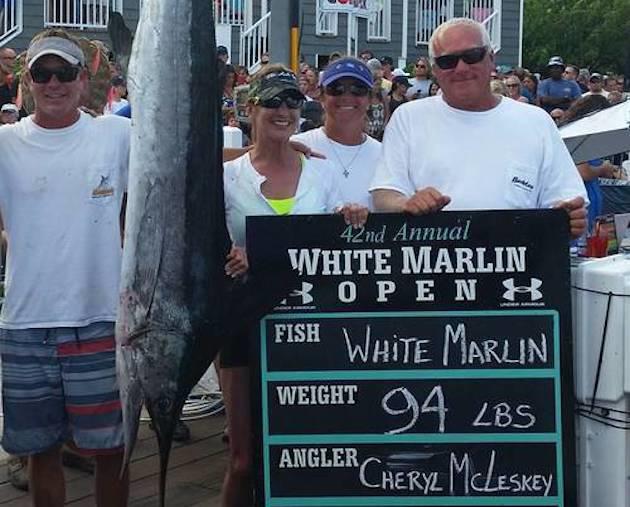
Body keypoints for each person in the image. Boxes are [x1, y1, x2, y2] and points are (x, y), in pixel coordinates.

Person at [219, 65, 367, 507]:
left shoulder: (321, 174)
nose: (282, 111)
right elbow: (209, 247)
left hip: (309, 327)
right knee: (243, 460)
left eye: (292, 103)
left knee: (304, 450)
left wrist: (353, 218)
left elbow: (333, 240)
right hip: (243, 324)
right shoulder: (227, 177)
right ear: (251, 108)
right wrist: (230, 255)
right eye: (272, 102)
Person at [0, 29, 130, 506]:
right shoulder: (4, 142)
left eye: (64, 73)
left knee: (112, 448)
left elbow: (180, 165)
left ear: (83, 79)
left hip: (100, 317)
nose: (53, 84)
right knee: (40, 451)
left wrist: (264, 152)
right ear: (28, 80)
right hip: (25, 323)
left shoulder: (116, 134)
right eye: (42, 74)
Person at [369, 18, 587, 240]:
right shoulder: (408, 118)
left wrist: (570, 217)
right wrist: (406, 204)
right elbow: (384, 194)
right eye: (448, 61)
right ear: (435, 70)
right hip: (431, 267)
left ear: (491, 59)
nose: (461, 68)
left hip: (518, 268)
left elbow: (565, 201)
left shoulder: (536, 122)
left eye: (472, 56)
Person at [292, 57, 381, 209]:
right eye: (336, 89)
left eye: (357, 90)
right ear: (321, 96)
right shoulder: (297, 146)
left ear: (371, 99)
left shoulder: (386, 155)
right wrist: (274, 150)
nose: (346, 97)